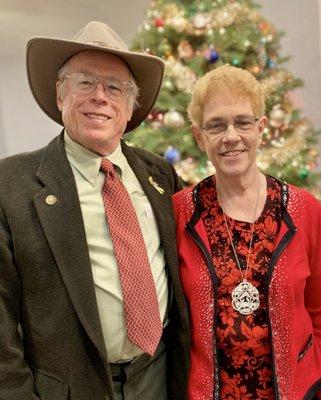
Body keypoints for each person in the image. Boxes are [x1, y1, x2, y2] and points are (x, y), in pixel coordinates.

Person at [0, 21, 190, 400]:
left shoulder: (160, 175)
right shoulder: (11, 185)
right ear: (60, 94)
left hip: (159, 377)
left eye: (114, 87)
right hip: (67, 390)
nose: (99, 97)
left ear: (130, 105)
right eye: (84, 82)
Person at [173, 65, 321, 400]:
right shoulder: (179, 212)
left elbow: (319, 310)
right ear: (199, 137)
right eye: (216, 125)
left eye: (243, 122)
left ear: (261, 128)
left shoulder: (306, 210)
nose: (230, 137)